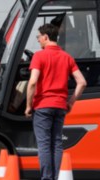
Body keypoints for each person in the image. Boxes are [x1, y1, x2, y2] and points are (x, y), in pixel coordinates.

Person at [25, 24, 86, 180]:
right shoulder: (67, 57)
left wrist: (28, 106)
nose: (38, 40)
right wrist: (71, 102)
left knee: (44, 144)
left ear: (46, 37)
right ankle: (56, 176)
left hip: (43, 106)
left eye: (38, 37)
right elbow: (82, 82)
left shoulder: (39, 56)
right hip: (60, 106)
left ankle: (47, 178)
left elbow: (32, 82)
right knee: (56, 143)